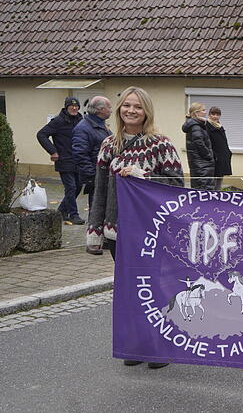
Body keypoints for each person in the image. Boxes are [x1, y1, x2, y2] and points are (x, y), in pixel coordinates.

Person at [86, 86, 184, 369]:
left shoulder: (160, 144)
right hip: (117, 231)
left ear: (146, 112)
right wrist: (95, 230)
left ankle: (159, 345)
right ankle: (137, 345)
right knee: (130, 290)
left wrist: (143, 176)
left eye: (137, 107)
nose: (131, 110)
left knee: (154, 289)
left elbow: (177, 187)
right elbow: (100, 189)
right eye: (126, 105)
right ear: (119, 109)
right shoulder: (108, 145)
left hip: (152, 233)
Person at [37, 96, 84, 225]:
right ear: (66, 107)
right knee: (71, 187)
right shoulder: (58, 121)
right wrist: (52, 151)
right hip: (64, 160)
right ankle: (73, 215)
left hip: (78, 160)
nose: (74, 108)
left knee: (78, 186)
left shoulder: (81, 119)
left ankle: (61, 211)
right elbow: (41, 134)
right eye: (71, 106)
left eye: (76, 106)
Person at [72, 96, 112, 214]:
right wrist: (93, 177)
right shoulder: (83, 128)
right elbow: (80, 155)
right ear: (101, 109)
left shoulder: (101, 125)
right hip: (96, 178)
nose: (111, 110)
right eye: (109, 107)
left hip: (105, 175)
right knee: (96, 211)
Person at [182, 102, 215, 190]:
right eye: (203, 110)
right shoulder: (196, 127)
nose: (205, 112)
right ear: (197, 113)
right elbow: (199, 143)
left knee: (201, 188)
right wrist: (209, 156)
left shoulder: (197, 125)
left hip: (200, 164)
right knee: (204, 190)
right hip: (201, 165)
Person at [206, 106, 233, 190]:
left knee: (219, 181)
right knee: (212, 183)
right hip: (214, 159)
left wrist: (228, 153)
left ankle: (217, 197)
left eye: (217, 114)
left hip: (222, 159)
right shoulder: (207, 126)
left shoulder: (220, 126)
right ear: (209, 115)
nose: (215, 116)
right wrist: (214, 156)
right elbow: (207, 143)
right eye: (213, 114)